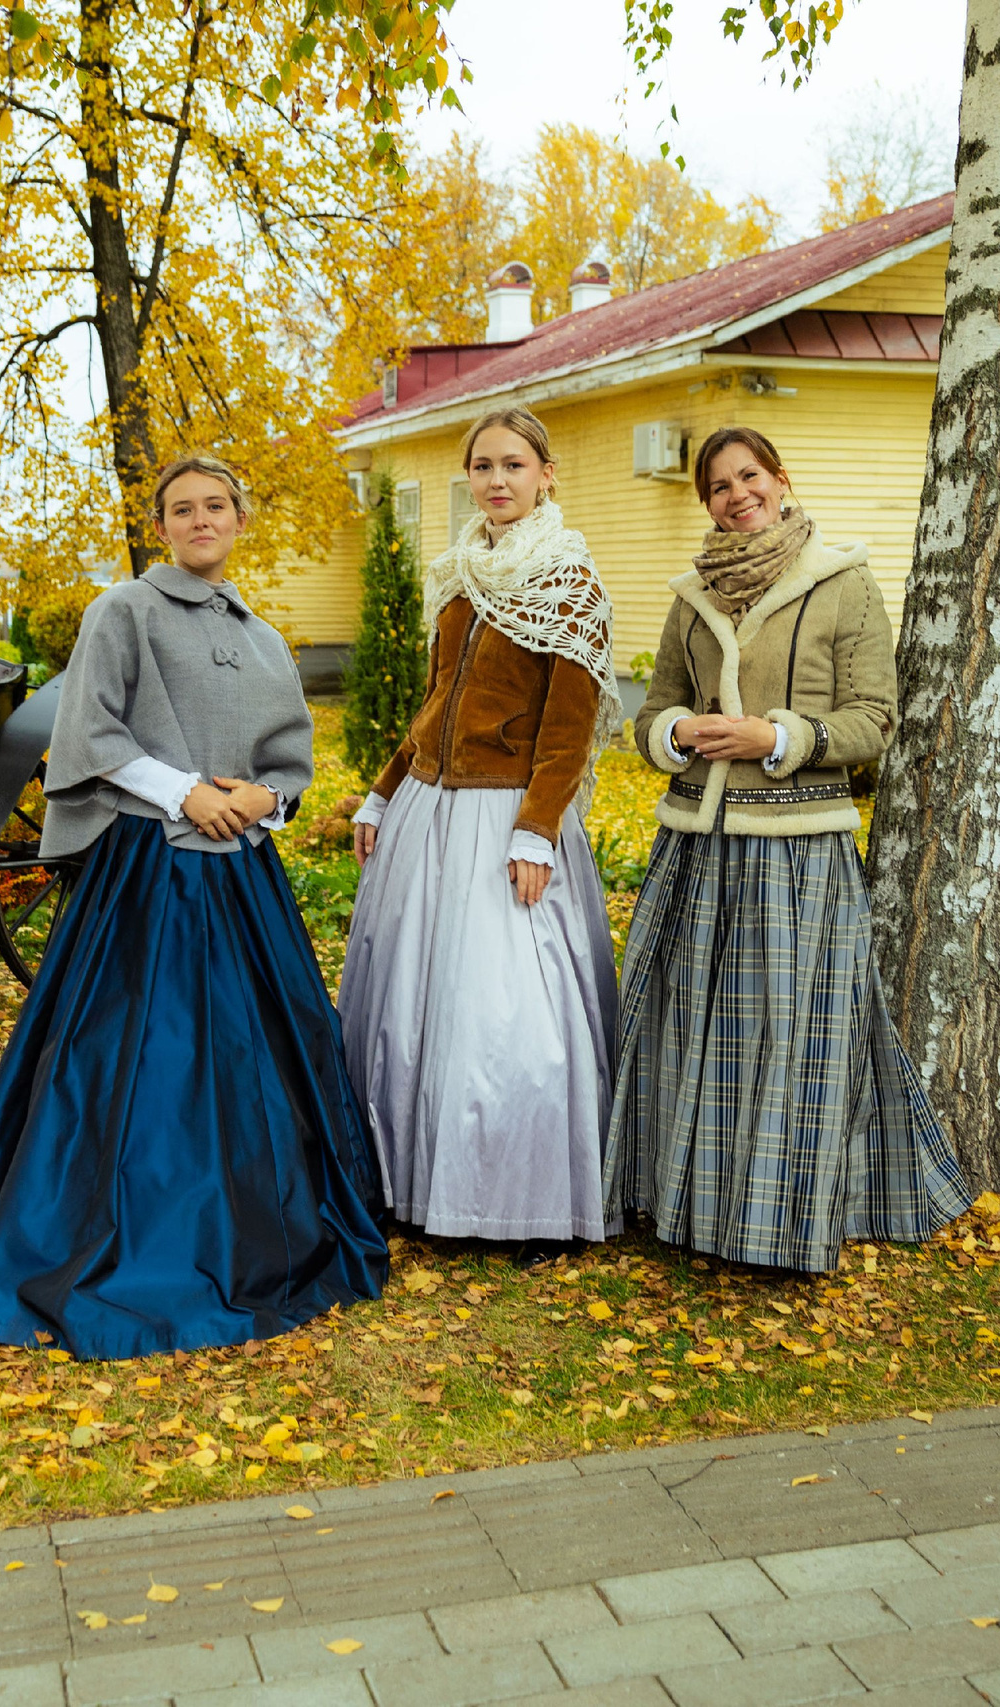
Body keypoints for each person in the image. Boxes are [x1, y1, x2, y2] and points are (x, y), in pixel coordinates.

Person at [0, 454, 387, 1359]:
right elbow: (91, 729)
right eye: (181, 508)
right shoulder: (124, 611)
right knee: (140, 1056)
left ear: (240, 518)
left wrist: (266, 800)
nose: (200, 519)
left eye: (216, 505)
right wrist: (185, 792)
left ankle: (266, 1227)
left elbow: (287, 767)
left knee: (256, 1056)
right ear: (162, 525)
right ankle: (127, 1229)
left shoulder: (263, 637)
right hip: (149, 873)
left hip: (242, 874)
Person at [604, 427, 970, 1273]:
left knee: (787, 1037)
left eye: (750, 476)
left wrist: (773, 734)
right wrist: (676, 731)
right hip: (697, 844)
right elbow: (650, 710)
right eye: (720, 486)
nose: (737, 495)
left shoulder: (840, 583)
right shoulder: (691, 595)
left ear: (780, 479)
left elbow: (875, 718)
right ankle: (681, 1204)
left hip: (798, 850)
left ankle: (772, 1225)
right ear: (707, 503)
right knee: (689, 1028)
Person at [343, 406, 622, 1257]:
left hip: (506, 821)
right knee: (410, 1006)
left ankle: (515, 1199)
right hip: (430, 814)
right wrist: (383, 792)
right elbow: (433, 706)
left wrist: (536, 829)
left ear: (546, 474)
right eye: (482, 466)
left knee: (507, 1017)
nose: (496, 480)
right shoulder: (459, 576)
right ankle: (407, 1181)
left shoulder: (571, 585)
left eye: (513, 464)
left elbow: (567, 731)